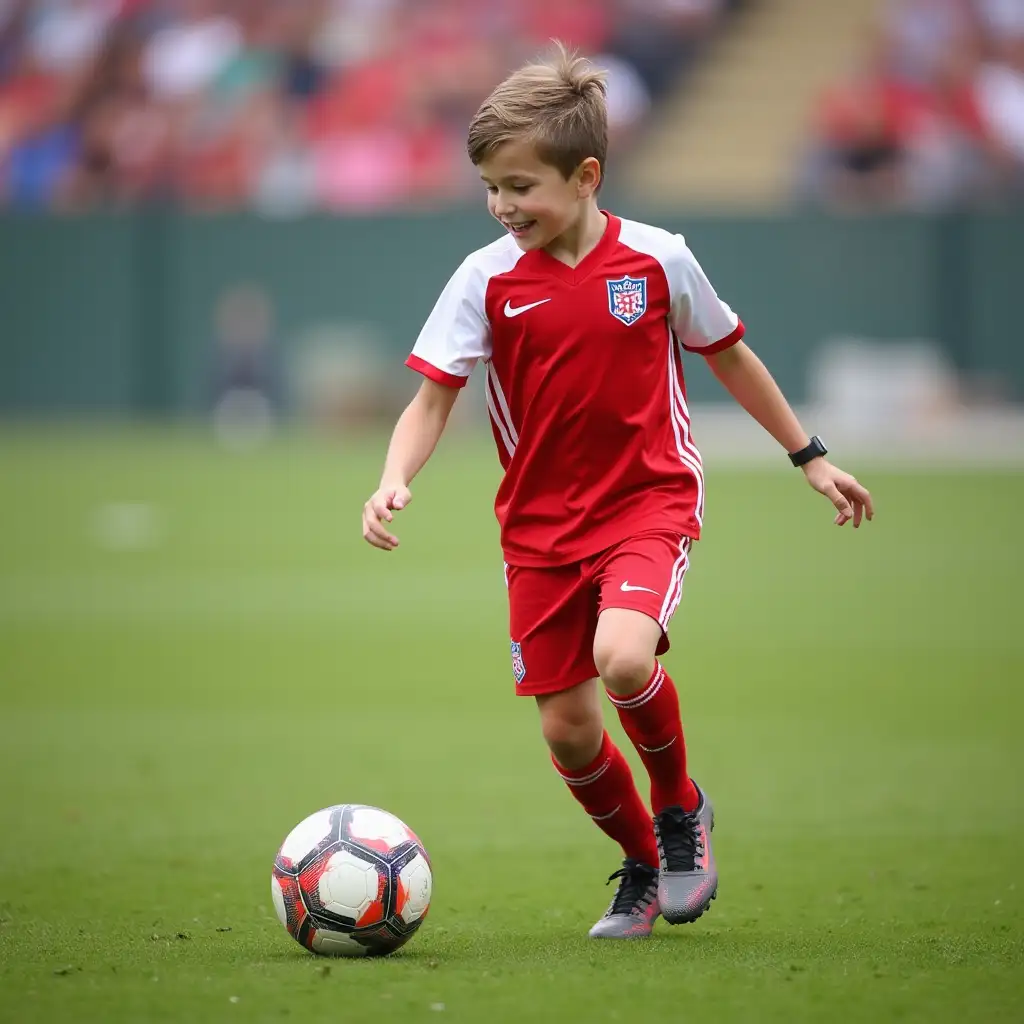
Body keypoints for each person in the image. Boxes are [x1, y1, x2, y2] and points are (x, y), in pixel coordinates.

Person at [362, 44, 874, 940]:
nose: (503, 205)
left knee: (625, 659)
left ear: (587, 174)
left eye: (521, 185)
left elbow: (733, 358)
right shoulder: (484, 280)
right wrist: (392, 479)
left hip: (648, 504)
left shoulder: (658, 259)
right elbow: (431, 397)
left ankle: (681, 811)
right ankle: (643, 863)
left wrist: (812, 456)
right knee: (565, 730)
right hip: (537, 533)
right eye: (490, 187)